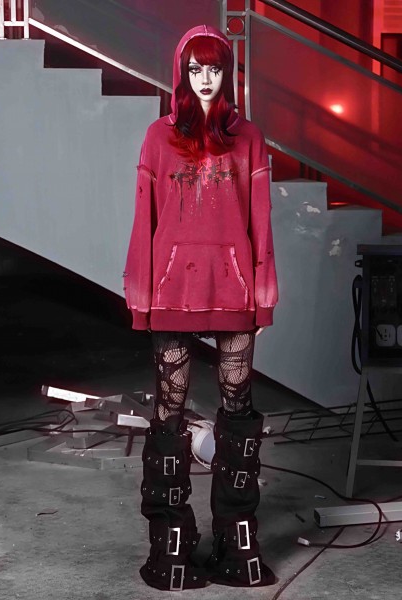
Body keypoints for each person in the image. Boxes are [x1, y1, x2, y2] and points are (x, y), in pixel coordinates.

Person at [122, 24, 279, 591]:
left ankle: (238, 544)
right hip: (173, 290)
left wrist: (262, 294)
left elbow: (261, 221)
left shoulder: (249, 137)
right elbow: (145, 219)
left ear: (226, 73)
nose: (205, 78)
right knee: (170, 411)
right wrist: (141, 293)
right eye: (195, 69)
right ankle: (170, 549)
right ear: (182, 74)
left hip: (232, 288)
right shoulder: (158, 136)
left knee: (238, 409)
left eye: (214, 68)